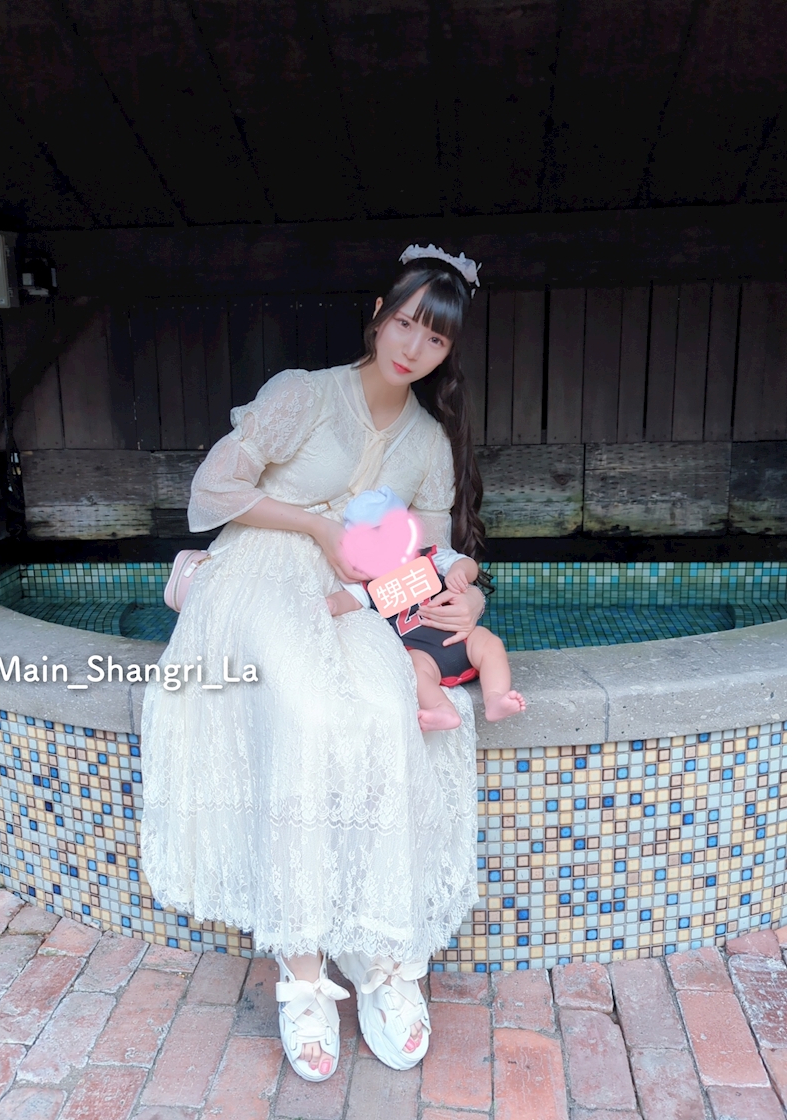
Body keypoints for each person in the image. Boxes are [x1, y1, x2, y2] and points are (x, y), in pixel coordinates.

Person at [140, 245, 492, 1083]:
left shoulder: (428, 441)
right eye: (405, 323)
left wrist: (464, 595)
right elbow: (212, 491)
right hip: (261, 570)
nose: (413, 348)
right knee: (306, 708)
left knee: (389, 710)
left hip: (354, 597)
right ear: (378, 314)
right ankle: (302, 973)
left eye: (435, 339)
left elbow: (432, 556)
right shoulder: (303, 393)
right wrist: (318, 528)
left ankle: (380, 951)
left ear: (448, 351)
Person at [327, 487, 526, 731]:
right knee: (415, 668)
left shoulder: (430, 558)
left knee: (489, 642)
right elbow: (351, 598)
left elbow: (465, 563)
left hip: (461, 638)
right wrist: (333, 603)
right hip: (422, 653)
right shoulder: (367, 583)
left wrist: (459, 572)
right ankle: (442, 709)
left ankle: (495, 698)